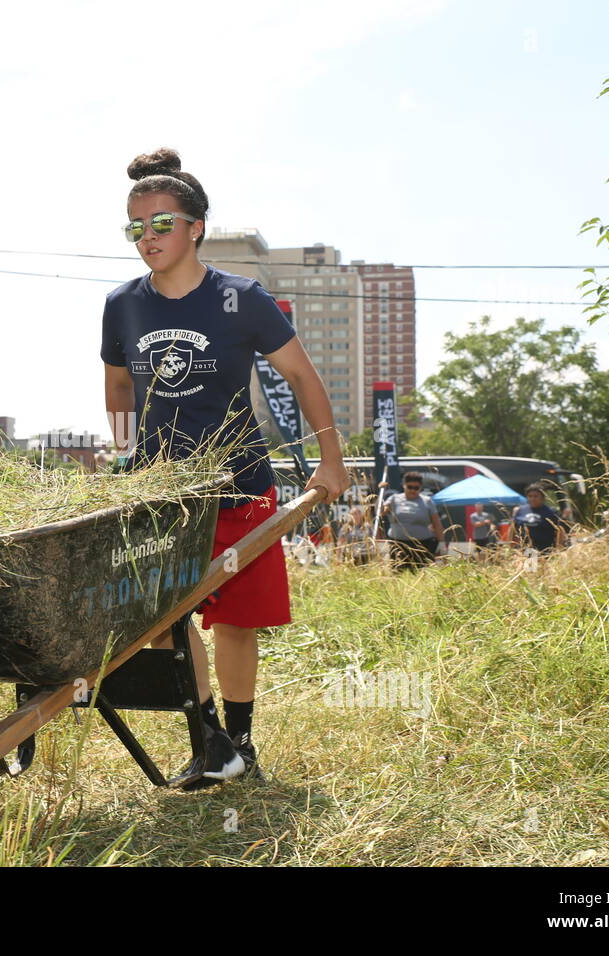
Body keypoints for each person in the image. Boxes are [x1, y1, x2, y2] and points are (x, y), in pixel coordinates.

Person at [101, 147, 349, 788]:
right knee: (164, 626)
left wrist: (330, 459)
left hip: (240, 485)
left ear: (195, 226)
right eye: (136, 227)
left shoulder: (241, 298)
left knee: (237, 622)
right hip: (164, 494)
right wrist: (129, 456)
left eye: (161, 224)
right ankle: (212, 743)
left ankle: (238, 746)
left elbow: (301, 378)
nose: (147, 238)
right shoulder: (122, 305)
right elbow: (120, 389)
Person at [380, 471, 445, 571]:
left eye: (416, 488)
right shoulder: (393, 499)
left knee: (422, 573)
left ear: (420, 487)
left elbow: (437, 524)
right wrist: (380, 493)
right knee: (397, 573)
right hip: (398, 545)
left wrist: (442, 543)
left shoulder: (427, 501)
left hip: (422, 545)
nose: (413, 490)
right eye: (410, 487)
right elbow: (381, 512)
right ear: (404, 485)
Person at [512, 484, 568, 554]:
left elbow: (560, 531)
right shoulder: (520, 510)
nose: (532, 498)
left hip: (545, 551)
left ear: (542, 497)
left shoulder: (551, 512)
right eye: (530, 496)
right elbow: (513, 529)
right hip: (523, 551)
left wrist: (559, 549)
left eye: (536, 496)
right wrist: (510, 548)